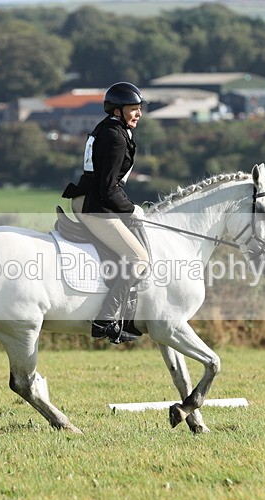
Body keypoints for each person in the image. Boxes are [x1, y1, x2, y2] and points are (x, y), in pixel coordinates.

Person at [61, 82, 150, 344]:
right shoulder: (115, 137)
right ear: (117, 110)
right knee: (138, 258)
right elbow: (108, 188)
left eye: (139, 108)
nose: (138, 114)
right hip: (95, 206)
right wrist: (131, 209)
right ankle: (105, 319)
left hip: (94, 200)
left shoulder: (112, 129)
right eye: (133, 109)